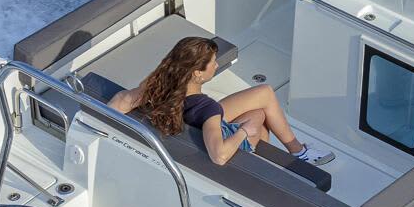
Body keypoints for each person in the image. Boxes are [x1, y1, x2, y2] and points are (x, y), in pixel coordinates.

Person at [111, 36, 333, 167]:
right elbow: (219, 155)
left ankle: (297, 150)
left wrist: (101, 121)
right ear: (197, 73)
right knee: (260, 117)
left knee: (264, 93)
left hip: (184, 117)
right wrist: (244, 131)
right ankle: (290, 155)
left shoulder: (157, 84)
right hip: (205, 127)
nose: (216, 66)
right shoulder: (209, 109)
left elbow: (123, 99)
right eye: (212, 63)